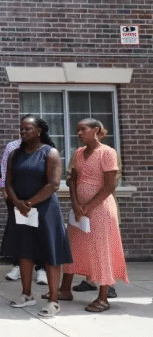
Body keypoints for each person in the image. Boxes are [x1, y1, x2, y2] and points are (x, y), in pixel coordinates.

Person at [2, 115, 72, 318]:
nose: (23, 132)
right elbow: (8, 181)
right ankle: (26, 294)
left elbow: (54, 184)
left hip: (45, 210)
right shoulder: (15, 154)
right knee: (24, 252)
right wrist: (17, 203)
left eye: (28, 129)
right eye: (21, 129)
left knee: (50, 253)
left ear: (39, 131)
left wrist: (29, 203)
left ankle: (53, 300)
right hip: (22, 210)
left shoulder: (50, 153)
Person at [58, 118, 128, 313]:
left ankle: (103, 296)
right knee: (74, 245)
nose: (78, 133)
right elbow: (72, 180)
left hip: (101, 209)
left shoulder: (107, 152)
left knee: (101, 249)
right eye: (77, 130)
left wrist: (87, 207)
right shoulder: (78, 153)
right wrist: (75, 203)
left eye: (83, 129)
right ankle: (65, 289)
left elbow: (109, 186)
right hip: (80, 209)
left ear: (95, 130)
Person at [0, 139, 48, 286]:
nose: (26, 132)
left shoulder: (45, 147)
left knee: (38, 232)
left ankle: (41, 268)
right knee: (19, 233)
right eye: (23, 129)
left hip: (38, 197)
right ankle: (17, 265)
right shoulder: (12, 147)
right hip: (16, 197)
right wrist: (4, 189)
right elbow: (4, 168)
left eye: (29, 128)